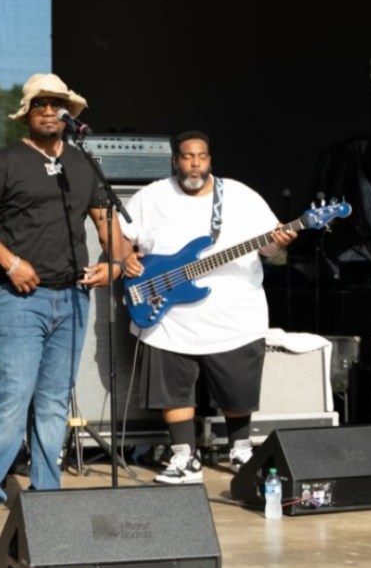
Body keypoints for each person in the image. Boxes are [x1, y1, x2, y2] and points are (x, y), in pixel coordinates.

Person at [0, 73, 126, 538]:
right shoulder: (5, 161)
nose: (49, 111)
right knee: (13, 394)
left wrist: (114, 263)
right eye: (40, 104)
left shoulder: (82, 163)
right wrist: (10, 262)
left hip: (73, 296)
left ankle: (47, 496)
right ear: (27, 113)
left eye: (56, 104)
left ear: (69, 113)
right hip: (19, 298)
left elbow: (107, 224)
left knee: (53, 402)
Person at [119, 130, 297, 484]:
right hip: (167, 311)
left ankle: (241, 451)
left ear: (210, 160)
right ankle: (184, 457)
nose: (195, 164)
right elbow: (122, 233)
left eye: (201, 157)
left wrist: (280, 242)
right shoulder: (151, 196)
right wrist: (125, 257)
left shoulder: (241, 196)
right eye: (187, 157)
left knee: (237, 386)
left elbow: (271, 249)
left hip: (233, 315)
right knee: (172, 389)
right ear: (175, 161)